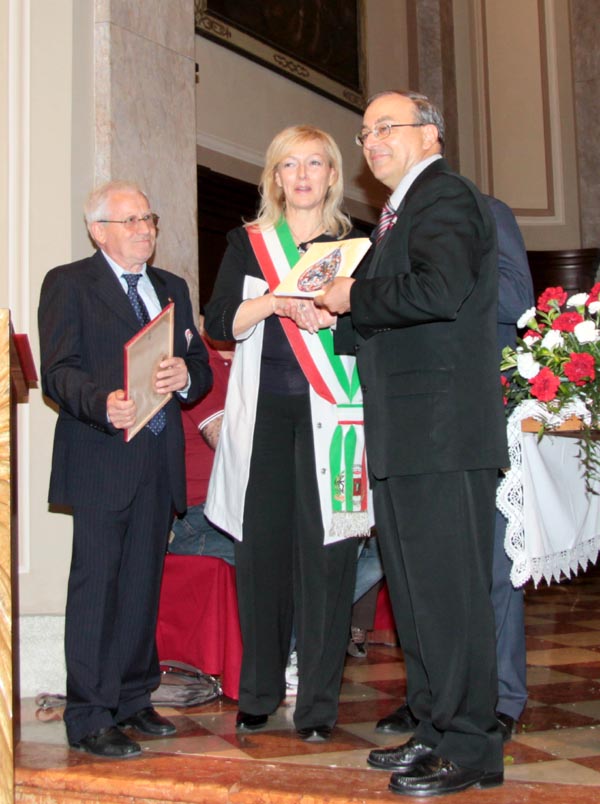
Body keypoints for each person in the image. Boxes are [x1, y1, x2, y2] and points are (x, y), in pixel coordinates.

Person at [318, 91, 509, 796]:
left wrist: (353, 296)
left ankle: (471, 744)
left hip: (440, 433)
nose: (371, 141)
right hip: (408, 430)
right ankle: (433, 725)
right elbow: (404, 317)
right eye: (364, 132)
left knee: (449, 594)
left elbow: (440, 290)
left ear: (430, 134)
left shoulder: (445, 197)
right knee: (418, 593)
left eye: (386, 127)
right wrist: (336, 316)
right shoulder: (402, 212)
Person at [203, 125, 371, 742]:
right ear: (275, 177)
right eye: (289, 165)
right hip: (265, 418)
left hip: (336, 417)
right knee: (261, 558)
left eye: (315, 163)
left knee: (329, 561)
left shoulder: (357, 246)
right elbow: (220, 320)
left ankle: (319, 706)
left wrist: (335, 314)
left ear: (332, 175)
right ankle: (258, 693)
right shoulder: (248, 243)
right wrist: (277, 301)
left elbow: (375, 327)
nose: (302, 175)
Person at [38, 180, 212, 759]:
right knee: (97, 588)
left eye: (149, 218)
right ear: (99, 231)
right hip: (101, 457)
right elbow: (58, 370)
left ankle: (135, 699)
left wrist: (186, 377)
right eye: (131, 220)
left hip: (157, 462)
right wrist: (101, 402)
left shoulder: (172, 288)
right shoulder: (69, 283)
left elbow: (198, 366)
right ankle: (90, 715)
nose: (145, 229)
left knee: (142, 583)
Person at [375, 195, 534, 740]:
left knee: (490, 559)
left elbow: (517, 298)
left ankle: (501, 696)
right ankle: (432, 698)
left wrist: (435, 288)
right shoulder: (387, 227)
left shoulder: (484, 211)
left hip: (476, 403)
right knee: (423, 569)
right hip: (414, 410)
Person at [169, 325, 235, 564]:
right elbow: (225, 440)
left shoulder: (246, 360)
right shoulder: (201, 361)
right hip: (204, 515)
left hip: (233, 508)